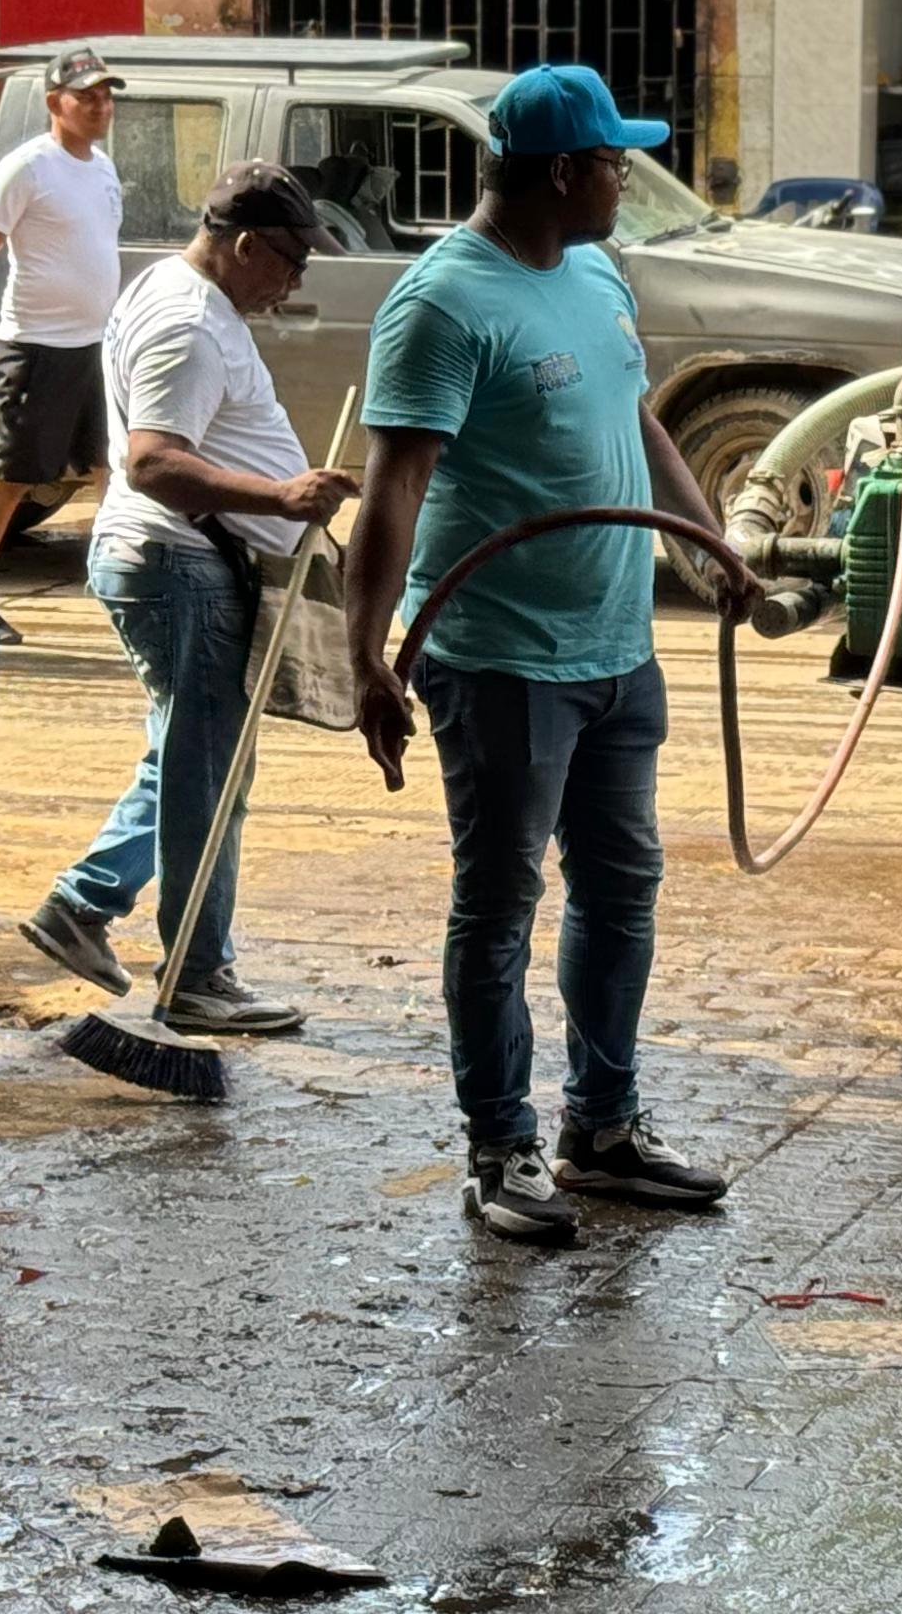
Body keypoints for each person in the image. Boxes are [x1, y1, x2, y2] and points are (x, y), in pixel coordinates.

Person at [342, 64, 760, 1247]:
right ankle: (498, 1146)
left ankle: (604, 1128)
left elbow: (636, 415)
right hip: (501, 658)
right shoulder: (443, 304)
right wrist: (367, 654)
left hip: (616, 650)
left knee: (623, 886)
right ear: (566, 173)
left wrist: (706, 545)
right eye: (617, 160)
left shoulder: (592, 270)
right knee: (500, 903)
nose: (630, 175)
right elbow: (395, 488)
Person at [19, 162, 358, 1036]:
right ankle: (197, 973)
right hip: (180, 565)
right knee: (206, 774)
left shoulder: (178, 293)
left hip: (181, 562)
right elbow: (153, 462)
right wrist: (280, 500)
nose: (295, 283)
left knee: (194, 757)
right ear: (246, 245)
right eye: (290, 263)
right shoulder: (186, 324)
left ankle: (83, 903)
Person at [0, 45, 127, 645]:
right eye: (87, 96)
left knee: (112, 467)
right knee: (15, 476)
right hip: (38, 348)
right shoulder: (26, 168)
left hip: (97, 347)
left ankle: (122, 588)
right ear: (55, 104)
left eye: (106, 96)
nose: (100, 106)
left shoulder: (103, 167)